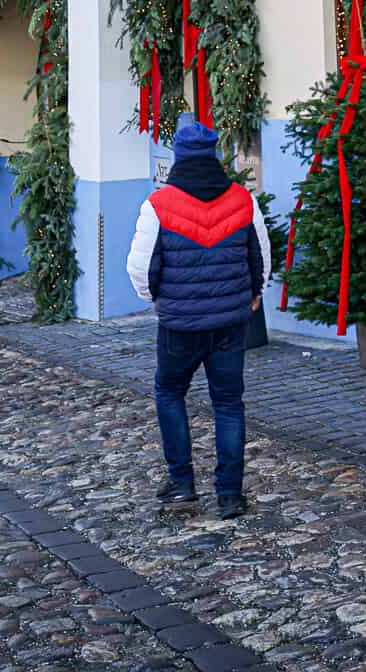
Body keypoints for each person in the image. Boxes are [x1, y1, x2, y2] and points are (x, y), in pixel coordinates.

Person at [127, 115, 270, 519]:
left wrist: (153, 297)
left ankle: (182, 481)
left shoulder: (159, 204)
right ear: (213, 155)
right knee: (228, 403)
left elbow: (141, 266)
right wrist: (255, 294)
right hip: (229, 322)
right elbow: (260, 253)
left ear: (179, 157)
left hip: (179, 324)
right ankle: (229, 495)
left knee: (170, 392)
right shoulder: (243, 200)